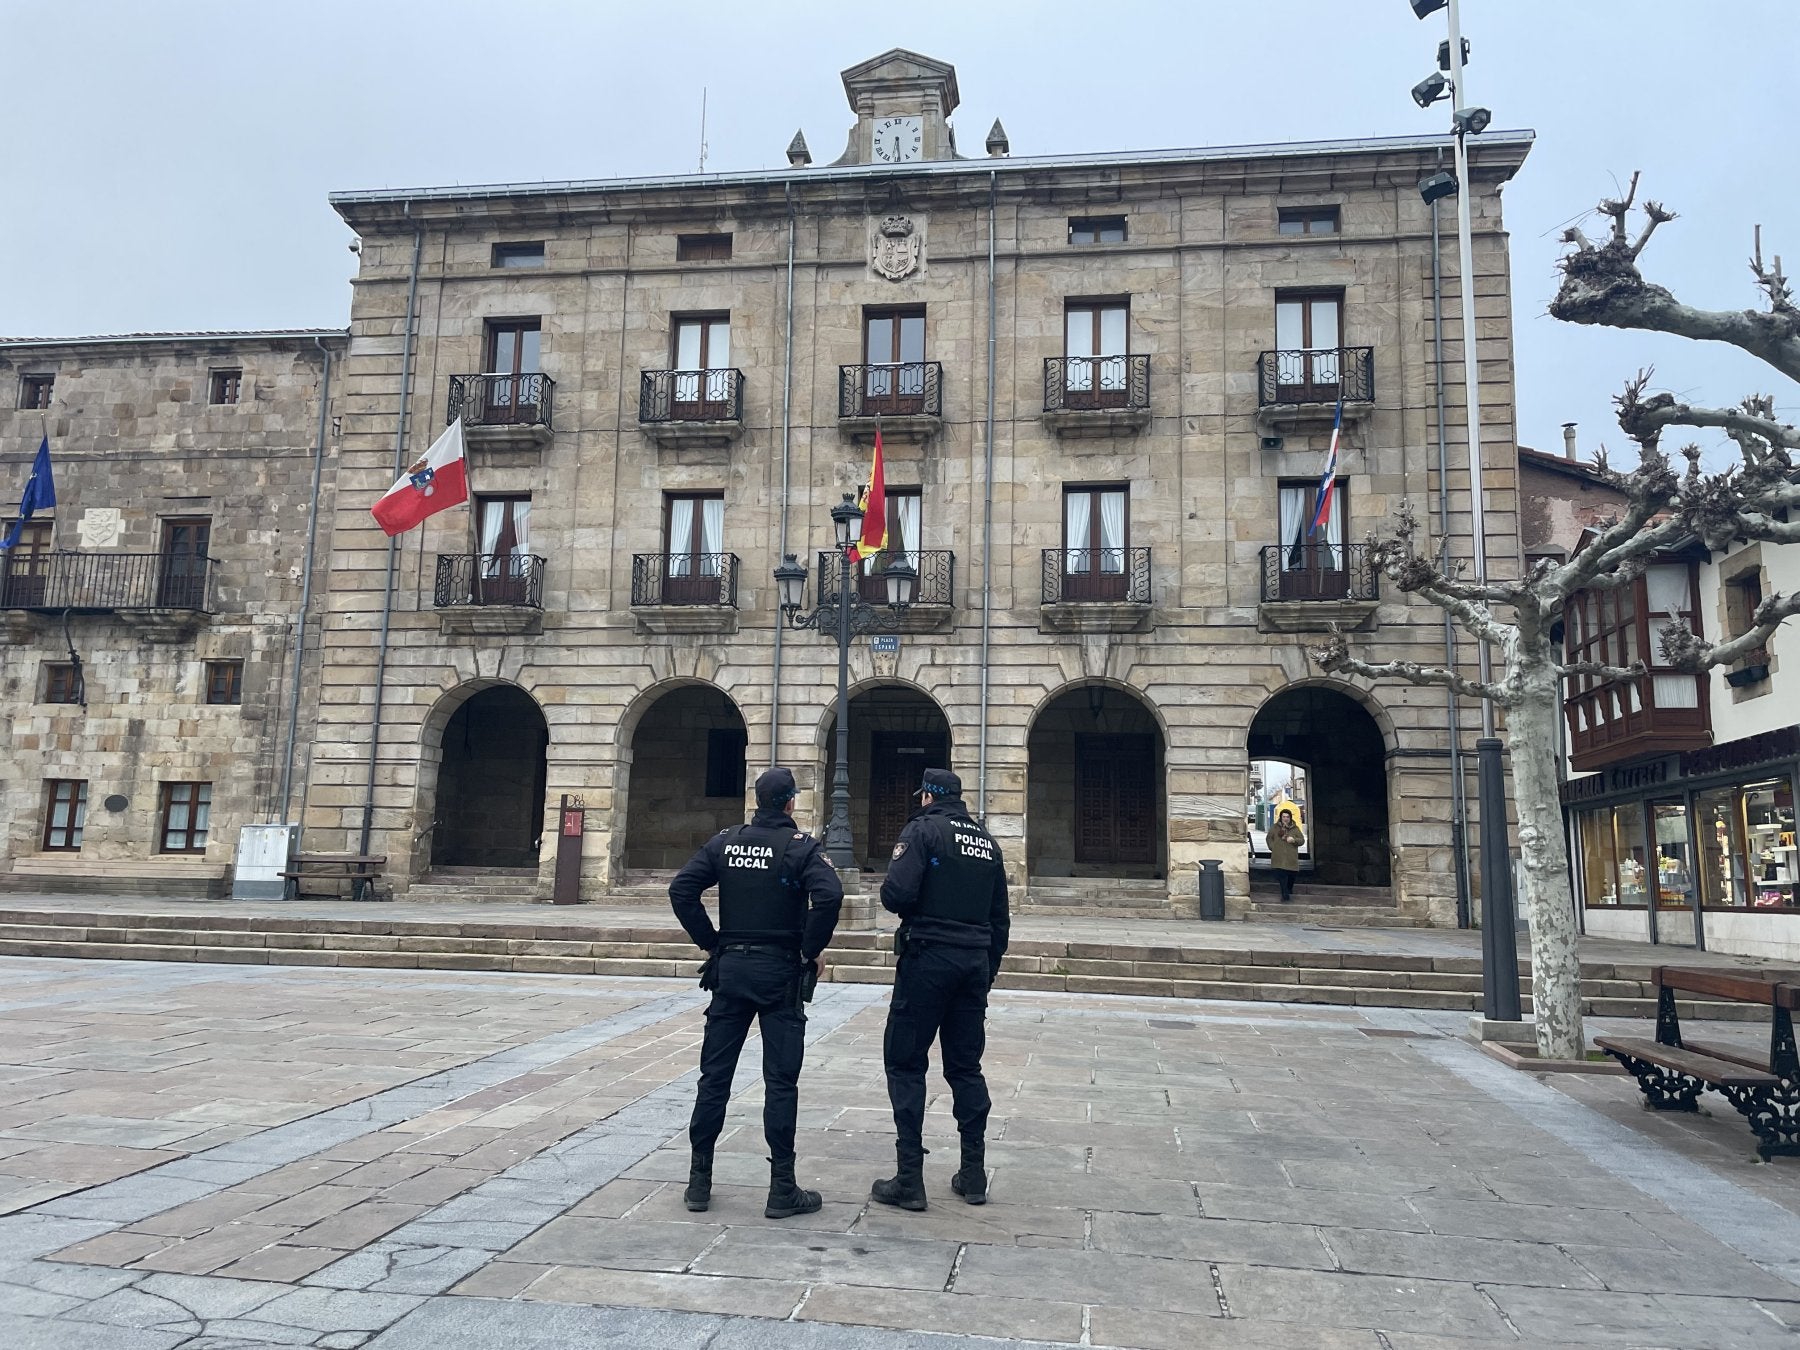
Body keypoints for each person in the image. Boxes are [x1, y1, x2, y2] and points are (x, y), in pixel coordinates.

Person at [669, 766, 842, 1219]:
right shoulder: (800, 848)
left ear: (757, 801)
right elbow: (829, 896)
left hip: (731, 971)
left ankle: (699, 1182)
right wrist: (809, 950)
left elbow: (682, 889)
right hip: (779, 971)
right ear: (790, 803)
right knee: (780, 1082)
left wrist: (711, 942)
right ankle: (781, 1187)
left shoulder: (726, 841)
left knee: (714, 1078)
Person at [870, 767, 1009, 1212]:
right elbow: (1000, 918)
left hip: (928, 959)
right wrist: (986, 970)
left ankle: (910, 1177)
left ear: (928, 796)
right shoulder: (987, 842)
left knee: (906, 1063)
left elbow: (896, 894)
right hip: (972, 963)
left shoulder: (922, 830)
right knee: (965, 1067)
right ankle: (973, 1173)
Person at [1270, 807, 1305, 903]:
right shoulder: (1274, 827)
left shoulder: (1295, 829)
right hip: (1279, 857)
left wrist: (1294, 840)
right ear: (1280, 817)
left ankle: (1288, 889)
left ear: (1290, 818)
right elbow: (1269, 838)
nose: (1285, 819)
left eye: (1287, 817)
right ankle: (1284, 893)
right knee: (1281, 875)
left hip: (1291, 858)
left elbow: (1302, 840)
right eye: (1283, 817)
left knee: (1291, 876)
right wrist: (1273, 847)